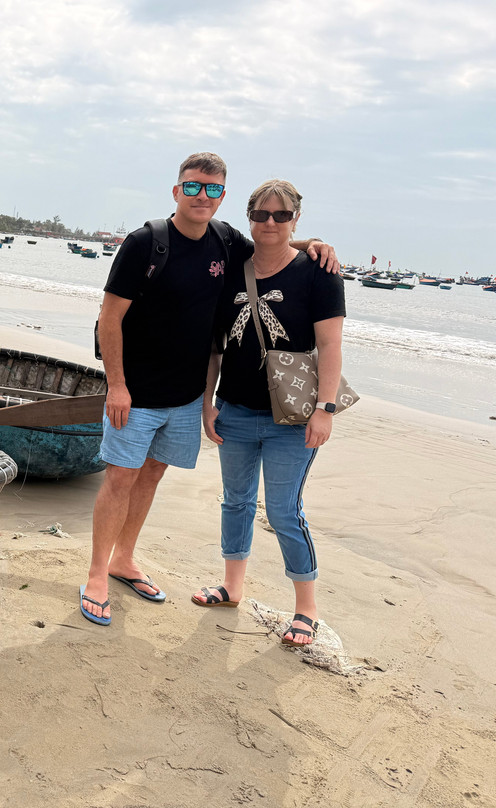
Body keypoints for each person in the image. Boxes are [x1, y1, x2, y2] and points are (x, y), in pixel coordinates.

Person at [79, 153, 338, 626]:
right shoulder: (145, 243)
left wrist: (313, 243)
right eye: (194, 187)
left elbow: (270, 243)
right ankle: (98, 574)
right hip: (134, 394)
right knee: (119, 477)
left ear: (222, 196)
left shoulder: (225, 241)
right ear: (177, 191)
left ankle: (124, 559)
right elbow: (109, 318)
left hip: (183, 398)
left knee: (153, 473)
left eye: (213, 189)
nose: (203, 196)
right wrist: (116, 385)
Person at [191, 179, 345, 647]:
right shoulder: (234, 268)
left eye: (281, 216)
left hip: (293, 418)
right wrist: (208, 402)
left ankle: (306, 609)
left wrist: (326, 409)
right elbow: (216, 346)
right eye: (262, 215)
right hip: (234, 410)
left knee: (283, 511)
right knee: (235, 501)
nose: (271, 223)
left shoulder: (319, 272)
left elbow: (330, 344)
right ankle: (232, 587)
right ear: (249, 218)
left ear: (296, 218)